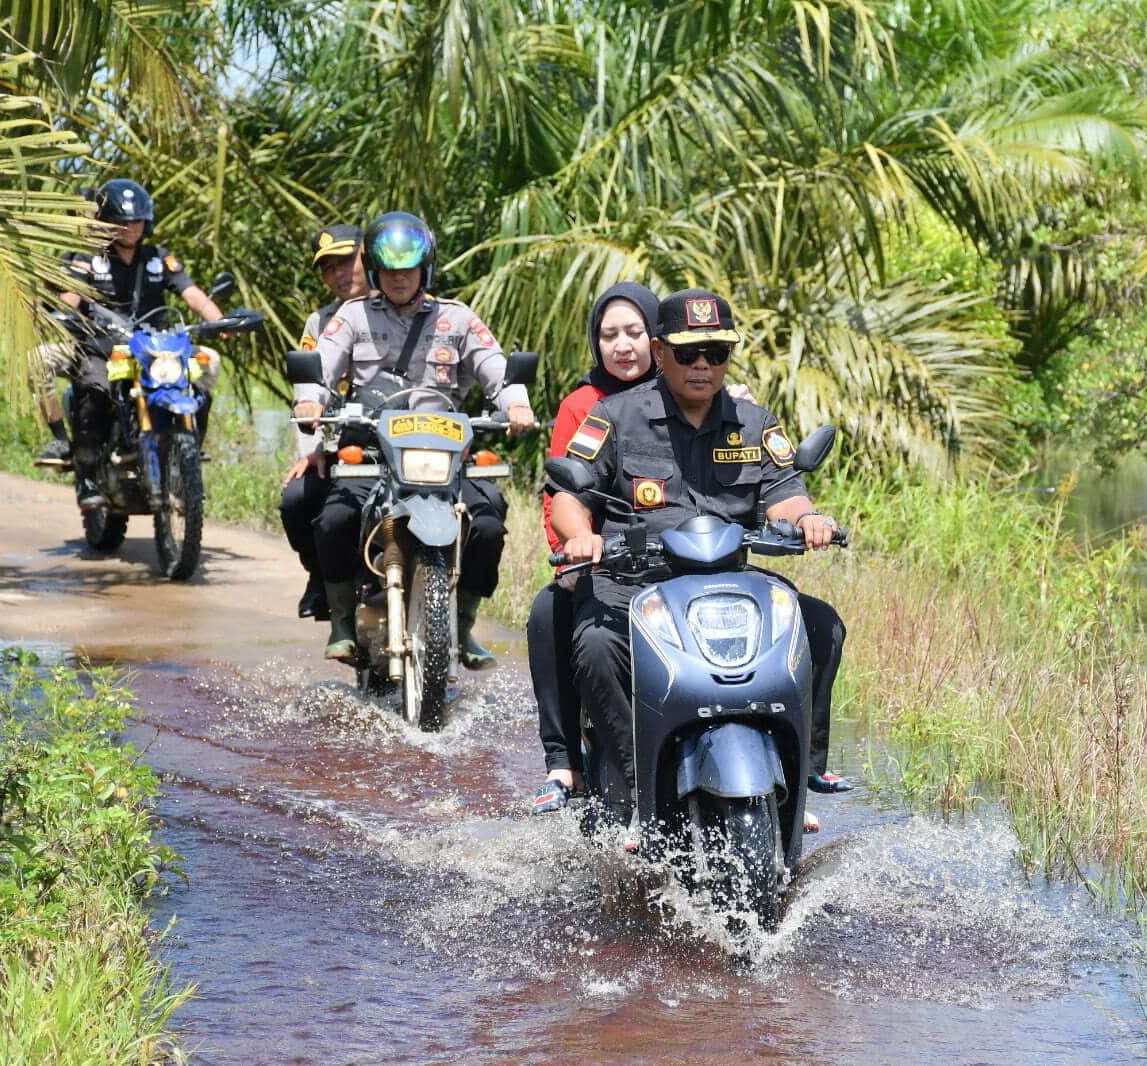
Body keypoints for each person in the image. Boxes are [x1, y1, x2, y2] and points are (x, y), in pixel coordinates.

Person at [550, 288, 846, 846]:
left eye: (716, 351)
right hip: (635, 584)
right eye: (688, 353)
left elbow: (786, 491)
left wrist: (810, 520)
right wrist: (582, 535)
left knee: (821, 626)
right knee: (594, 649)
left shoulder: (754, 422)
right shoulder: (612, 416)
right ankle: (638, 795)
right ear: (660, 353)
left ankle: (803, 775)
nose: (703, 365)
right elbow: (569, 492)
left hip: (732, 584)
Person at [295, 211, 537, 666]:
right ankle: (343, 622)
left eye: (408, 268)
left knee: (487, 521)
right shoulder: (352, 317)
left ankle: (463, 625)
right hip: (372, 448)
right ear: (375, 271)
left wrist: (516, 405)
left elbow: (496, 368)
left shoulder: (457, 319)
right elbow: (321, 367)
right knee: (334, 520)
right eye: (390, 270)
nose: (399, 278)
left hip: (444, 452)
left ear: (426, 268)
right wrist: (309, 402)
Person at [529, 282, 661, 813]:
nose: (623, 346)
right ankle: (565, 763)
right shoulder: (583, 405)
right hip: (601, 555)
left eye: (635, 332)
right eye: (609, 335)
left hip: (677, 553)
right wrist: (576, 547)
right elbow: (558, 494)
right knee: (550, 612)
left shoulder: (688, 390)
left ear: (659, 337)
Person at [35, 179, 227, 513]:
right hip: (102, 347)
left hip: (155, 348)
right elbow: (72, 295)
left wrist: (219, 321)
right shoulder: (89, 259)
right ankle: (86, 475)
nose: (130, 227)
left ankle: (189, 451)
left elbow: (192, 294)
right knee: (93, 388)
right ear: (107, 221)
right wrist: (61, 315)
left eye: (136, 220)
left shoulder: (158, 259)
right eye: (122, 221)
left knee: (207, 368)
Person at [280, 224, 369, 620]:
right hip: (337, 444)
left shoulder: (409, 306)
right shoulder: (321, 323)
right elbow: (307, 388)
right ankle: (321, 578)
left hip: (405, 441)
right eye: (328, 267)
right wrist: (310, 448)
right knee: (296, 500)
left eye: (347, 261)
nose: (339, 273)